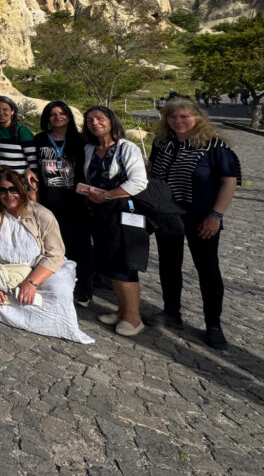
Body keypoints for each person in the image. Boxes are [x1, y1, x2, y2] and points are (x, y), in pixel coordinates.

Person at [0, 171, 93, 344]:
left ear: (22, 190)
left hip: (37, 267)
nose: (9, 195)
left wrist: (31, 282)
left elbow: (55, 254)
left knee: (60, 287)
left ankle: (51, 324)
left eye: (14, 190)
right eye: (3, 191)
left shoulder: (42, 214)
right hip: (2, 267)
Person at [150, 99, 241, 349]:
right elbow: (152, 170)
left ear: (197, 117)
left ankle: (213, 325)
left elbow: (229, 182)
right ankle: (171, 312)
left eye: (184, 116)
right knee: (169, 264)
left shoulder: (214, 146)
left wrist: (216, 215)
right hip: (167, 214)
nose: (178, 121)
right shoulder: (162, 144)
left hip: (202, 216)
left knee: (207, 269)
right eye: (172, 117)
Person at [81, 106, 149, 337]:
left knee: (124, 263)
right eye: (90, 120)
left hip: (122, 212)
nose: (95, 123)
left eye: (100, 118)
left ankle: (134, 318)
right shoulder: (90, 148)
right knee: (110, 262)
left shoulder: (126, 147)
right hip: (100, 213)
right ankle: (122, 311)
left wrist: (107, 195)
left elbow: (139, 182)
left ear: (111, 121)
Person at [34, 102, 91, 306]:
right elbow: (32, 165)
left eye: (62, 113)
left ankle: (83, 288)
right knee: (50, 245)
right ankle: (54, 286)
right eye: (52, 114)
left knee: (79, 246)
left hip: (75, 202)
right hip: (48, 200)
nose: (57, 117)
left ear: (68, 116)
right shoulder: (39, 139)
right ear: (47, 118)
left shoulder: (80, 140)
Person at [0, 96, 39, 197]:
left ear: (12, 111)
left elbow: (33, 163)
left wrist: (33, 190)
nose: (1, 113)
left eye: (5, 109)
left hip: (19, 187)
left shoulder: (22, 131)